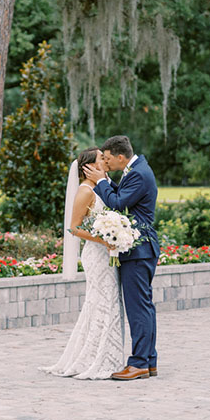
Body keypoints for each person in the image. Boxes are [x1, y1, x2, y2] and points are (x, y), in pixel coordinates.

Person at [41, 147, 126, 380]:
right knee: (101, 301)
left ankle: (109, 355)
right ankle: (95, 358)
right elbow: (74, 228)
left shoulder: (102, 186)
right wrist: (103, 239)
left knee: (109, 302)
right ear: (88, 166)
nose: (106, 160)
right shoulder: (85, 191)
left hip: (107, 252)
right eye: (101, 158)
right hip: (95, 254)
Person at [83, 135, 160, 381]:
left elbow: (118, 203)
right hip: (139, 250)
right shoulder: (136, 170)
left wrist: (102, 182)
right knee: (144, 307)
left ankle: (138, 363)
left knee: (139, 309)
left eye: (106, 158)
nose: (105, 163)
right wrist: (107, 182)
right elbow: (124, 196)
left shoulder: (138, 173)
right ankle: (148, 361)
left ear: (119, 156)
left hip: (139, 250)